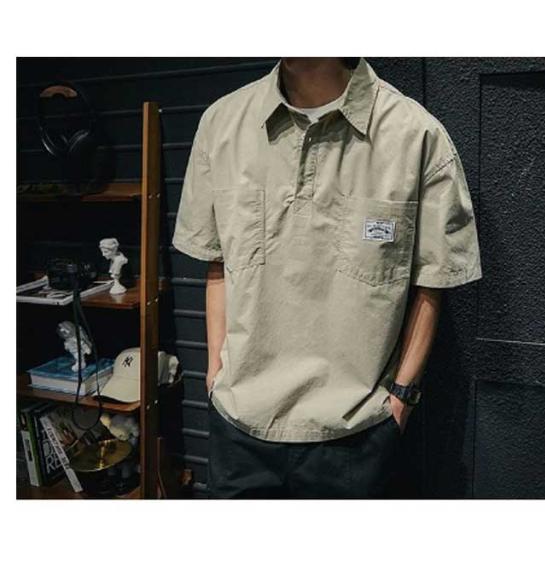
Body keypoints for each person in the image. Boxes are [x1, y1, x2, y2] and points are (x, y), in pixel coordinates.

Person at [172, 57, 482, 499]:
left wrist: (401, 399)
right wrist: (215, 379)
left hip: (357, 433)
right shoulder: (222, 125)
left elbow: (433, 282)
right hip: (239, 426)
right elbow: (217, 261)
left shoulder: (415, 136)